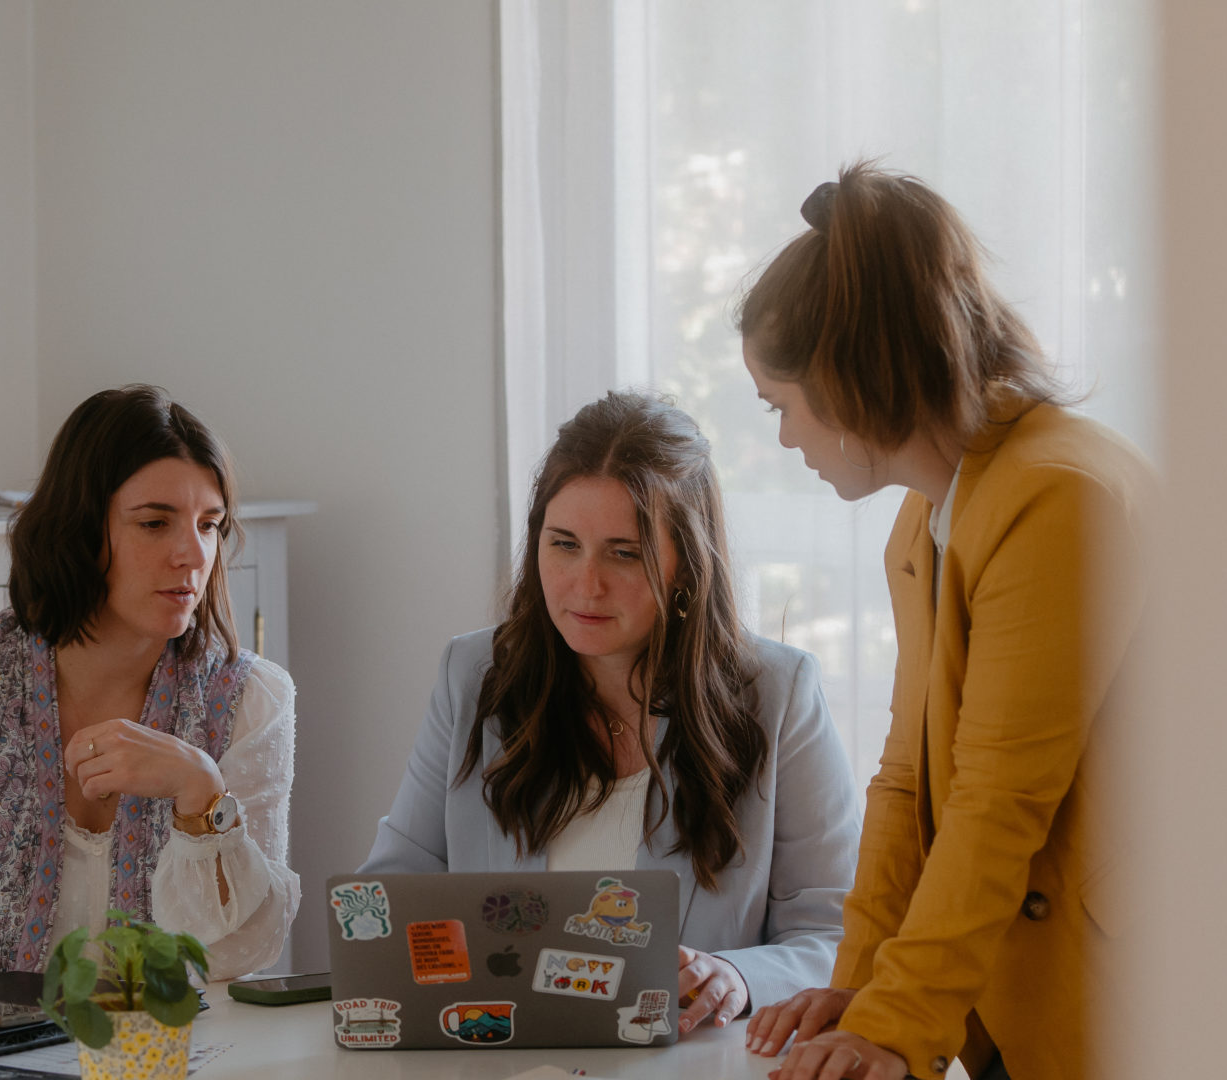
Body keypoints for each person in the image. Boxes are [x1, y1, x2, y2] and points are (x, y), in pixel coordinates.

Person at [735, 163, 1156, 1080]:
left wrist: (894, 1024)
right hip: (1015, 995)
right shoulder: (929, 517)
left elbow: (997, 805)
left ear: (847, 380)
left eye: (784, 406)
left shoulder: (1055, 498)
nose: (785, 441)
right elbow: (906, 784)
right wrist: (860, 986)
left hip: (1129, 1001)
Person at [359, 390, 863, 1036]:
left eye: (624, 553)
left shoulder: (777, 692)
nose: (585, 584)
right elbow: (394, 894)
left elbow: (835, 933)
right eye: (563, 544)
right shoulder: (473, 675)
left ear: (686, 565)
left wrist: (738, 978)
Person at [0, 385, 298, 1002]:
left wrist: (200, 794)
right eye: (155, 523)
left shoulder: (250, 699)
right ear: (78, 529)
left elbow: (239, 960)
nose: (193, 553)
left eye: (210, 525)